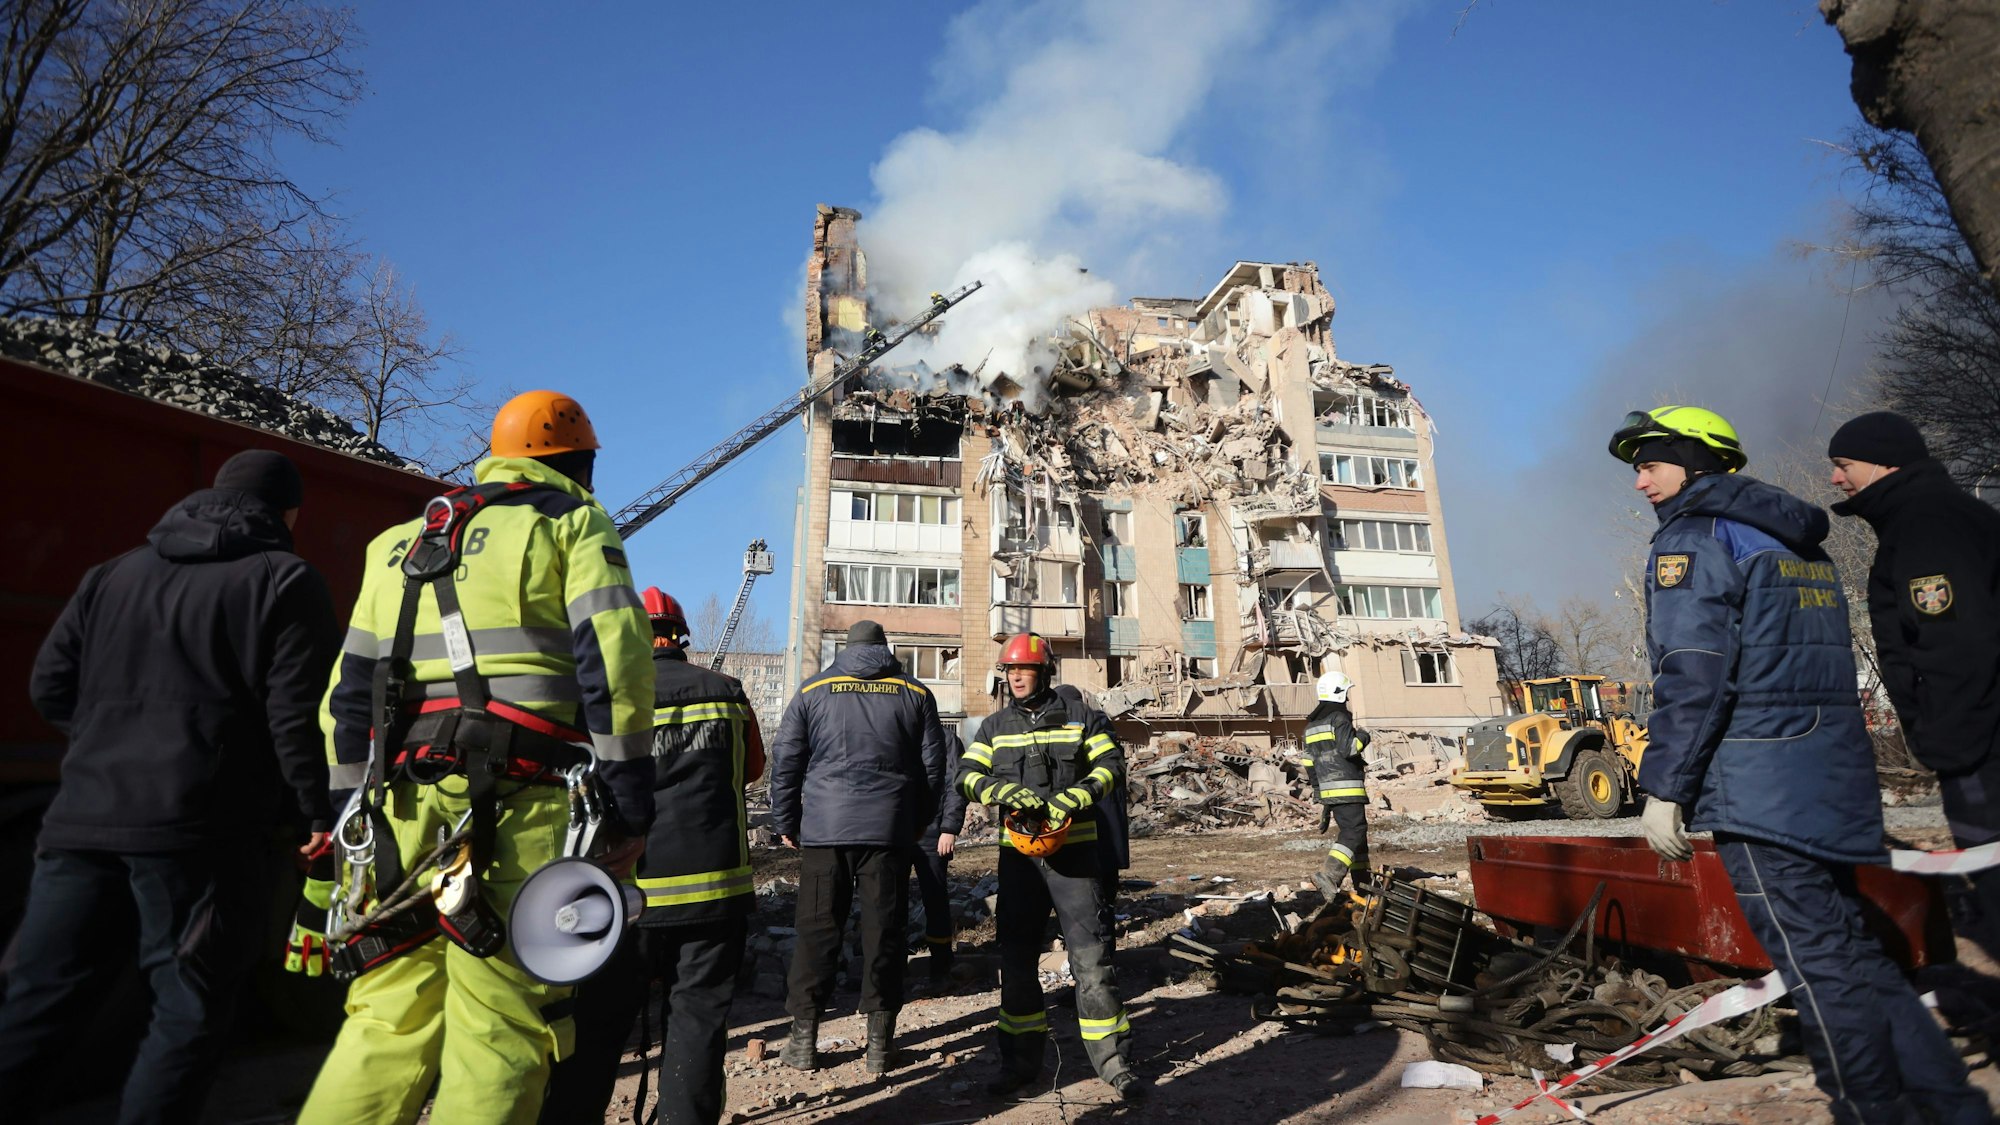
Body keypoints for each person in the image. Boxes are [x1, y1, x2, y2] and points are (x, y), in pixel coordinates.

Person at [1611, 404, 1989, 1125]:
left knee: (1820, 969)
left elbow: (1694, 671)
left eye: (1648, 463)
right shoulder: (1795, 538)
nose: (1638, 482)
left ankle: (1873, 1109)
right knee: (1855, 955)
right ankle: (1950, 1105)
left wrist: (1664, 786)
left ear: (1692, 460)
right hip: (1830, 778)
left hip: (1758, 789)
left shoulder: (1694, 539)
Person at [300, 390, 656, 1125]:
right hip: (515, 804)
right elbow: (615, 664)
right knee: (500, 1022)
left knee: (384, 1017)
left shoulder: (397, 542)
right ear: (580, 465)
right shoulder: (574, 524)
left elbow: (347, 694)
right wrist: (627, 805)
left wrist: (345, 816)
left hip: (395, 809)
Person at [0, 450, 339, 1124]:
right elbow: (295, 719)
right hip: (197, 835)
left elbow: (49, 686)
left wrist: (109, 746)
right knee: (187, 1011)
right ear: (289, 511)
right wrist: (314, 814)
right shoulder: (284, 579)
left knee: (36, 1005)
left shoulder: (112, 573)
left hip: (79, 822)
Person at [539, 588, 764, 1125]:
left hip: (625, 898)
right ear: (681, 637)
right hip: (715, 892)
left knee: (596, 1027)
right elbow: (751, 769)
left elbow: (571, 788)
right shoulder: (728, 692)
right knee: (698, 1020)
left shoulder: (606, 698)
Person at [1828, 411, 2000, 960]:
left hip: (1982, 749)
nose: (1836, 478)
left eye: (1843, 465)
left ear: (1885, 462)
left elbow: (1954, 645)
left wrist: (1949, 744)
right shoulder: (1933, 516)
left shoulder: (1927, 526)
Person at [959, 633, 1143, 1101]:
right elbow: (966, 776)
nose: (1015, 676)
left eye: (1023, 669)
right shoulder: (994, 726)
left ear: (1044, 673)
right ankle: (1020, 1064)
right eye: (1009, 670)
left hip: (1075, 857)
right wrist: (999, 792)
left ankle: (1115, 1065)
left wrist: (1080, 794)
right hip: (1019, 860)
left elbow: (1111, 766)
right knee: (1017, 962)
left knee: (1091, 960)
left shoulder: (1083, 718)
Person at [769, 620, 947, 1074]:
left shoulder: (812, 690)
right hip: (888, 831)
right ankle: (879, 1047)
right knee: (883, 932)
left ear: (844, 649)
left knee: (816, 931)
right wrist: (915, 822)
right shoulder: (915, 693)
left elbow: (787, 762)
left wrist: (787, 821)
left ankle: (804, 1042)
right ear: (884, 649)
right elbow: (933, 770)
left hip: (825, 831)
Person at [912, 720, 971, 990]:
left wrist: (949, 828)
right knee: (889, 900)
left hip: (932, 832)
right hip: (894, 833)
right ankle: (890, 971)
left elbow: (955, 786)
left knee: (935, 898)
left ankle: (941, 969)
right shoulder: (894, 730)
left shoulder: (945, 739)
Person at [1303, 670, 1372, 902]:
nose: (1348, 698)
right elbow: (1349, 749)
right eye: (1346, 692)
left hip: (1328, 788)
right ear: (1339, 693)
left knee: (1358, 837)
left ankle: (1364, 884)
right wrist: (1363, 736)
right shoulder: (1339, 718)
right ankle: (1330, 875)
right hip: (1348, 787)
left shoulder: (1311, 726)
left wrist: (1319, 791)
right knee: (1354, 831)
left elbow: (1308, 762)